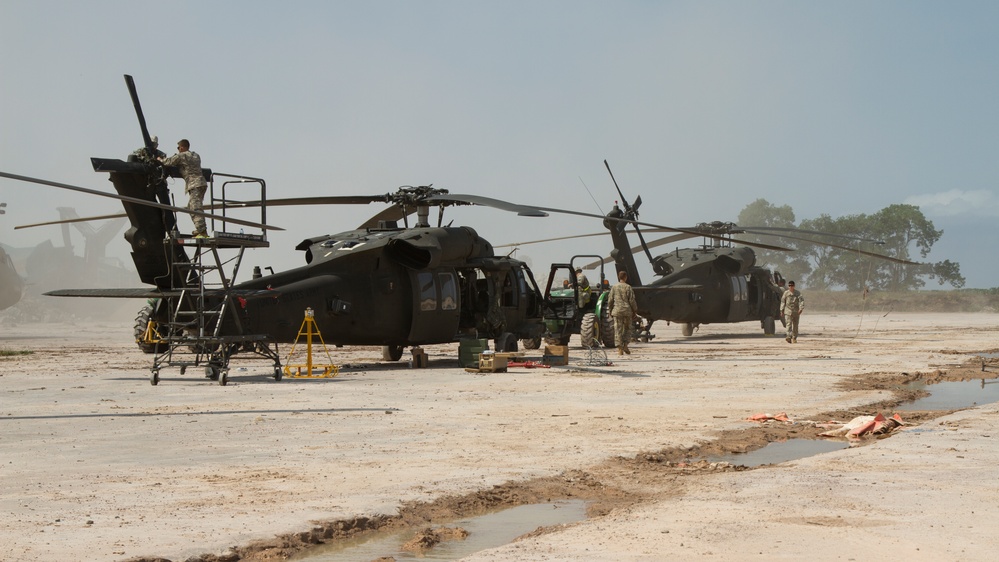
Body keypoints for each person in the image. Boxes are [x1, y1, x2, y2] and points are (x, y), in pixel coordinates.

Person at [160, 139, 209, 238]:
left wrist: (159, 159)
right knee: (191, 206)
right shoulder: (196, 155)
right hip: (201, 183)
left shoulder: (182, 155)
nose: (178, 150)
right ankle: (199, 229)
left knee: (195, 207)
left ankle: (203, 232)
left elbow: (168, 162)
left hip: (194, 184)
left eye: (178, 148)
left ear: (182, 147)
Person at [607, 270, 638, 355]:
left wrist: (610, 310)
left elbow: (610, 300)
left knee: (618, 329)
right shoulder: (628, 287)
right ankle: (625, 345)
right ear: (625, 277)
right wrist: (635, 310)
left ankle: (619, 348)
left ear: (618, 277)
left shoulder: (614, 287)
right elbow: (632, 300)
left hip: (617, 311)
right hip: (627, 311)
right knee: (628, 329)